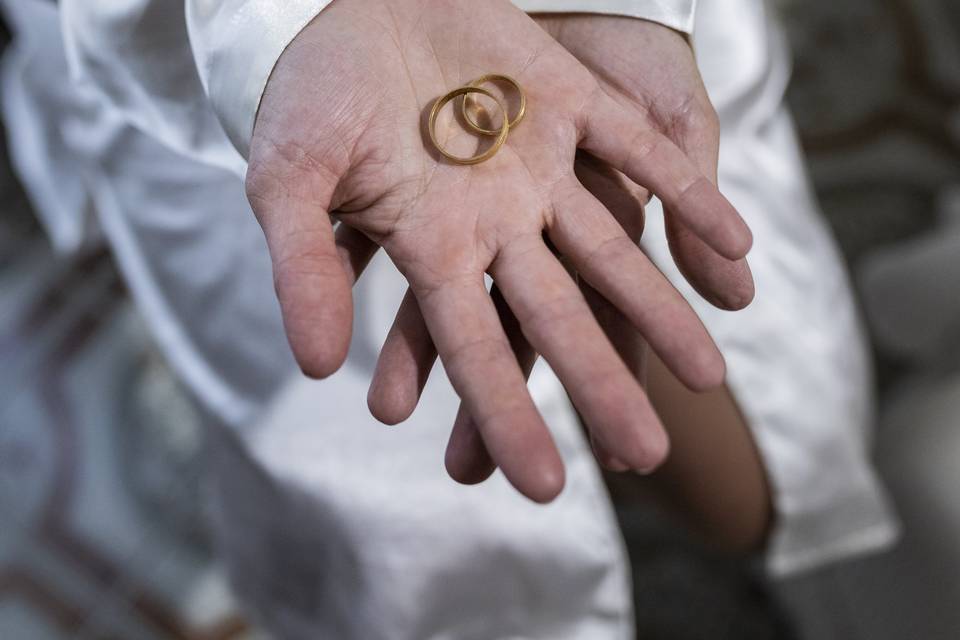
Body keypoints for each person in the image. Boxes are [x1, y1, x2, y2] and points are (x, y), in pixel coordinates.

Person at [1, 0, 898, 637]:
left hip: (566, 43)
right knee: (405, 530)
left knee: (759, 465)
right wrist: (283, 24)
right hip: (229, 80)